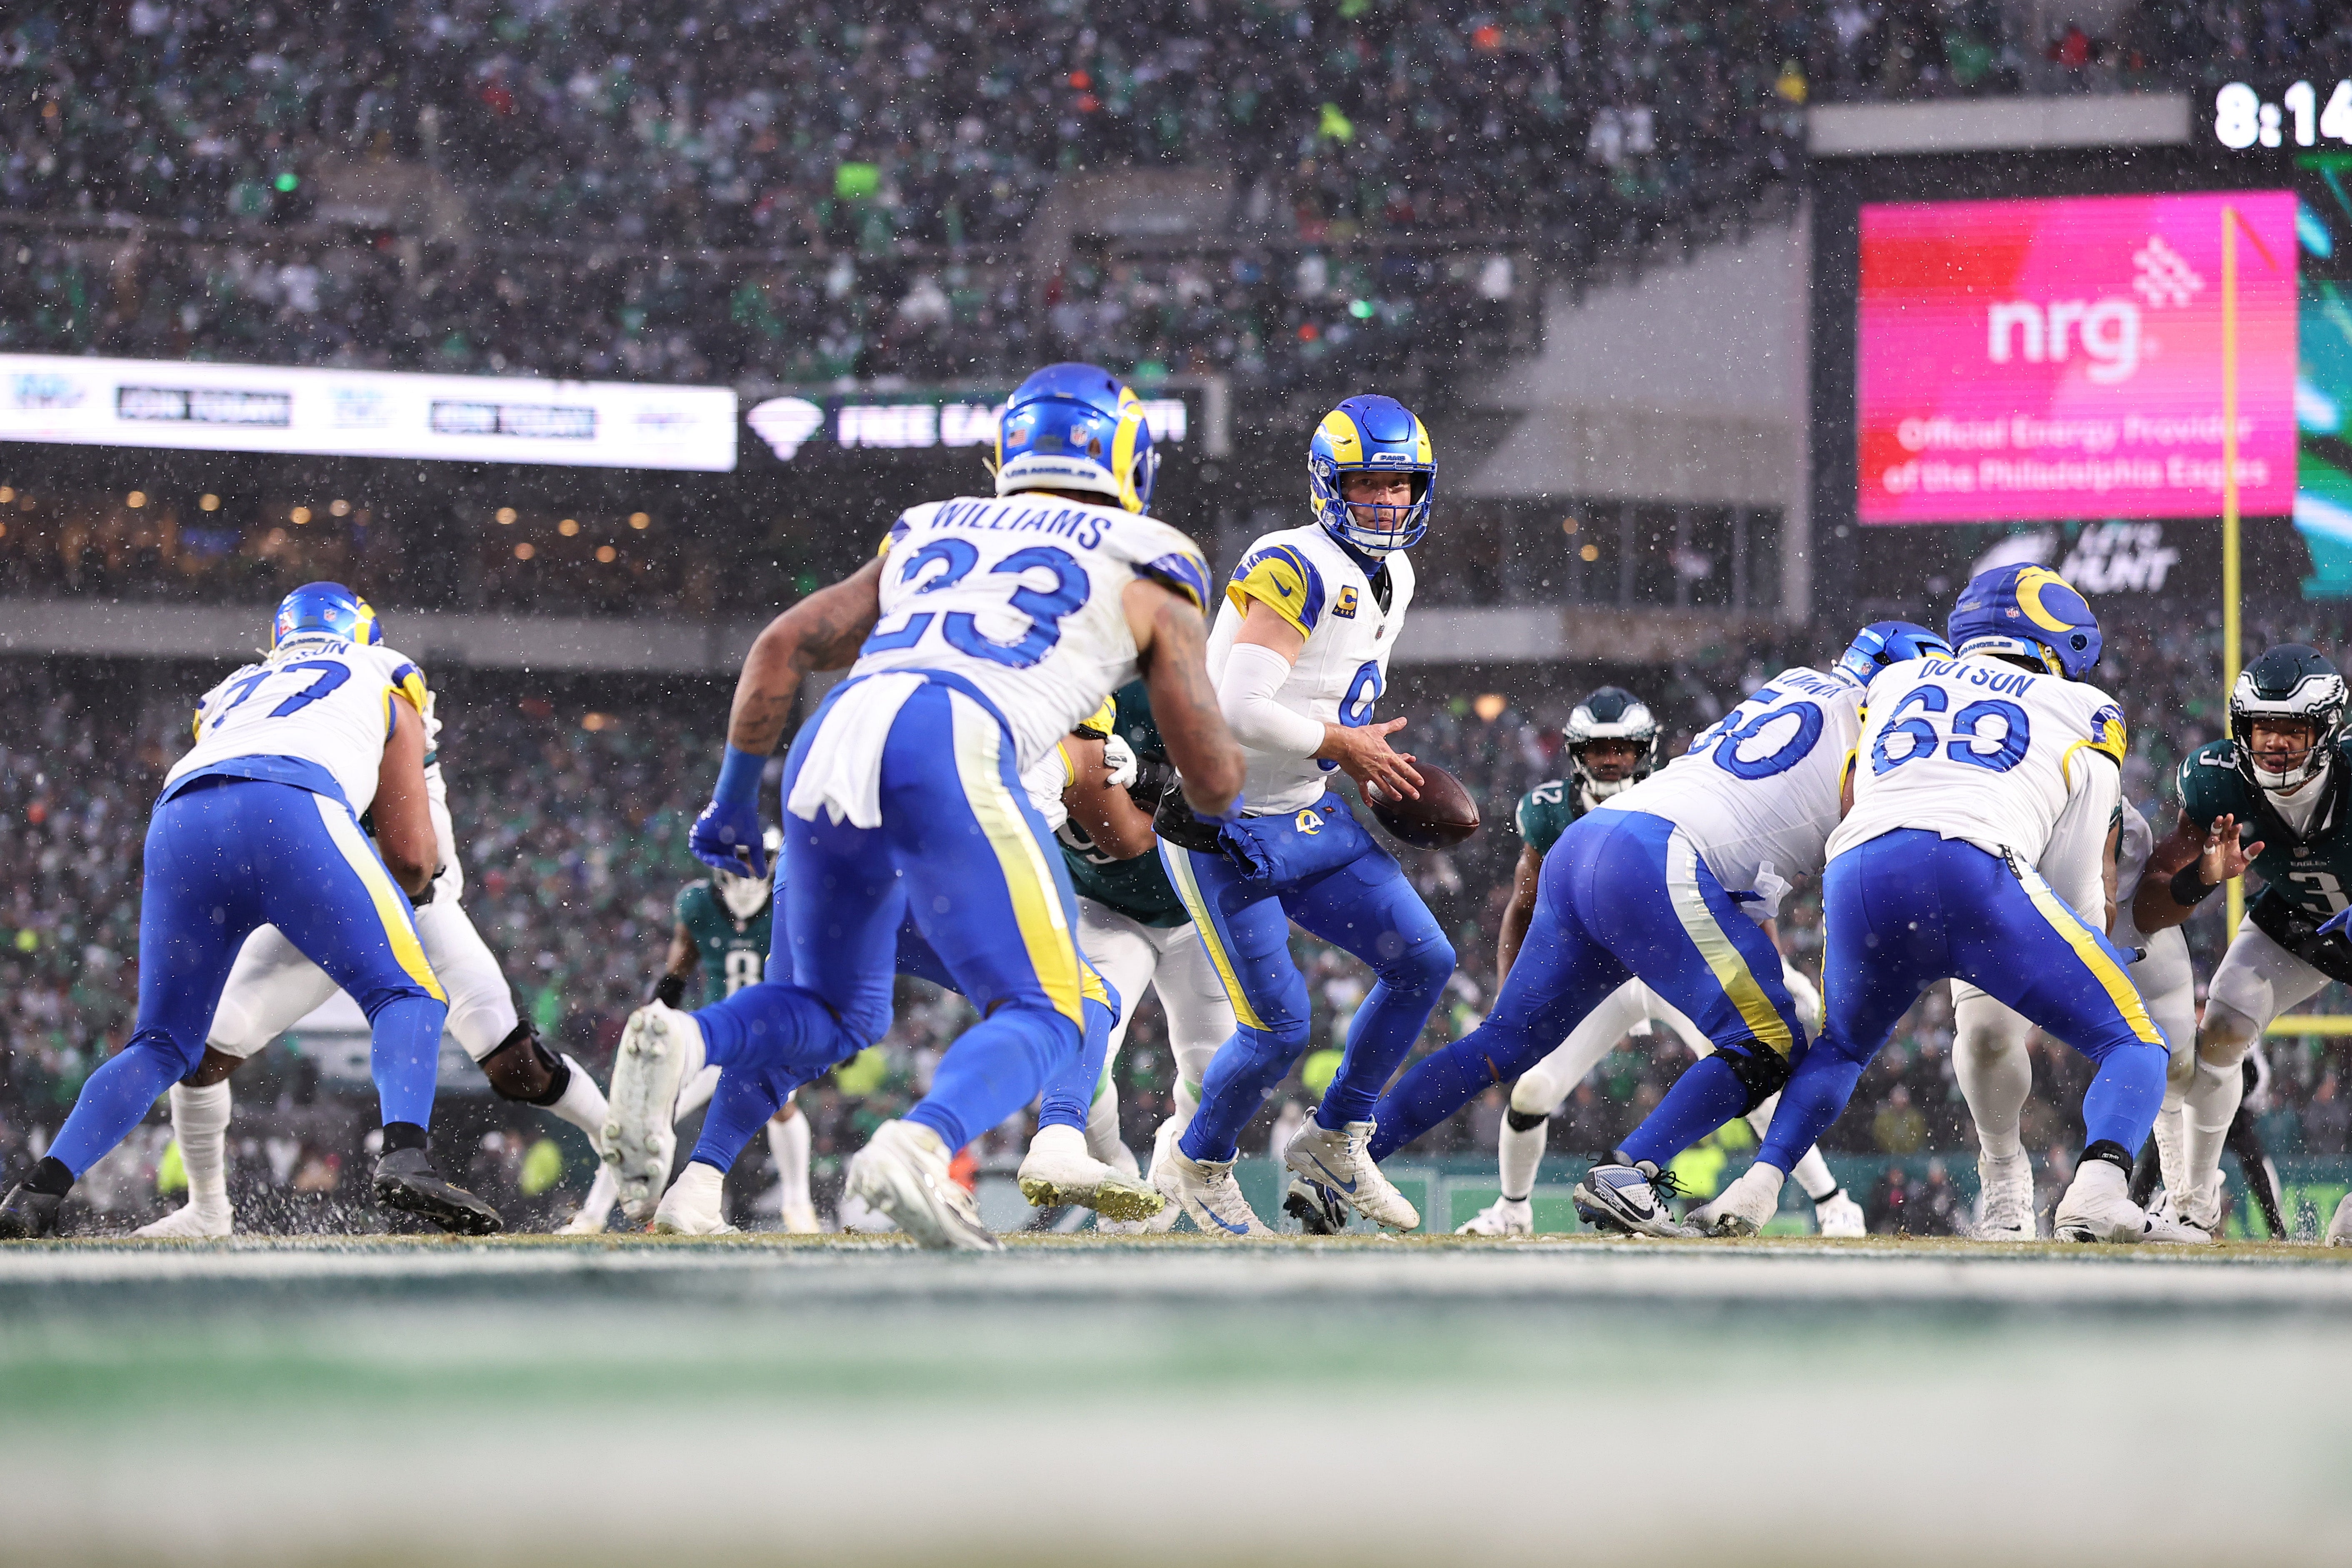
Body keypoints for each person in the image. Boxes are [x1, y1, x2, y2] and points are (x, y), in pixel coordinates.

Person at [600, 362, 1243, 1250]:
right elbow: (1212, 780)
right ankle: (918, 1146)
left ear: (1008, 452)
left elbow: (784, 644)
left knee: (830, 1010)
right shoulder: (1151, 556)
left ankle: (688, 1046)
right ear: (1127, 458)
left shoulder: (930, 524)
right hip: (955, 739)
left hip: (834, 733)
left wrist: (732, 803)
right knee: (1053, 1011)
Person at [1366, 621, 1948, 1238]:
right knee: (1770, 1039)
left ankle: (1350, 1151)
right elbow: (1858, 835)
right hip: (1658, 869)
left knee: (1506, 1042)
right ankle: (1629, 1171)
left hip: (1598, 854)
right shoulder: (1870, 741)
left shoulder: (1789, 688)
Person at [1696, 565, 2185, 1244]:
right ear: (2061, 644)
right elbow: (2076, 894)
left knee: (1841, 1046)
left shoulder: (1897, 680)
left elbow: (1863, 786)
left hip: (1861, 868)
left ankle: (1759, 1184)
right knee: (2135, 1043)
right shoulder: (2086, 709)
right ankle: (2097, 1189)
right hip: (1973, 868)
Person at [0, 583, 498, 1237]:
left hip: (181, 820)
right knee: (407, 992)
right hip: (293, 808)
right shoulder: (384, 671)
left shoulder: (235, 686)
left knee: (160, 1044)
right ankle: (405, 1155)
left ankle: (37, 1192)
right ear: (362, 630)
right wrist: (421, 882)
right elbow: (408, 856)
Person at [134, 607, 609, 1238]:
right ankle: (208, 1208)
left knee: (513, 1062)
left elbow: (417, 860)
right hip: (314, 892)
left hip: (409, 901)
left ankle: (627, 1150)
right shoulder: (301, 687)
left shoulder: (366, 687)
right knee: (199, 1055)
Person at [1149, 394, 1454, 1238]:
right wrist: (1342, 743)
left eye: (1400, 487)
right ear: (1327, 483)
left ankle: (1333, 1139)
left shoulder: (1396, 573)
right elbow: (1237, 706)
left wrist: (1351, 752)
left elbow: (1323, 697)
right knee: (1280, 1028)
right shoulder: (1292, 562)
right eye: (1367, 485)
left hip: (1305, 812)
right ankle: (1197, 1161)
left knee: (1425, 959)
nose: (1386, 504)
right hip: (1223, 823)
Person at [1452, 685, 1865, 1239]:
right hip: (1607, 981)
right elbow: (1522, 909)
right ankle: (1512, 1208)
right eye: (1600, 748)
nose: (1611, 758)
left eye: (1623, 746)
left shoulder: (1681, 789)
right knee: (1532, 1089)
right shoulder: (1552, 812)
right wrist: (1512, 1008)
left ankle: (1832, 1200)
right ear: (1576, 753)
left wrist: (1775, 971)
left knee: (1752, 1068)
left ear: (1645, 750)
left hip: (1677, 968)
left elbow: (1740, 895)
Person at [2140, 644, 2344, 1240]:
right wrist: (2202, 875)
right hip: (2300, 916)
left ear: (2327, 730)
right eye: (2263, 728)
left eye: (2292, 729)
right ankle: (2193, 1205)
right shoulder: (2219, 783)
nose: (2275, 744)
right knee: (2223, 1027)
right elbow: (2151, 907)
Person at [1023, 679, 1237, 1235]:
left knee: (1210, 1067)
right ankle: (1111, 1167)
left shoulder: (1162, 688)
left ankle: (1172, 1162)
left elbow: (1232, 788)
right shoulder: (1022, 721)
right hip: (1102, 903)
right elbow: (1122, 838)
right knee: (1085, 1035)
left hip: (1195, 905)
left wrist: (1152, 776)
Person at [1951, 796, 2195, 1239]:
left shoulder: (2099, 790)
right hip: (2000, 890)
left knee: (2174, 1053)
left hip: (2103, 913)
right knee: (1983, 1033)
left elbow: (2113, 902)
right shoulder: (1981, 788)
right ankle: (2005, 1183)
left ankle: (2185, 1196)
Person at [562, 828, 822, 1235]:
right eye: (739, 859)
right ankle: (593, 1214)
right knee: (643, 1114)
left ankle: (798, 1206)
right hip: (718, 1036)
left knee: (783, 1105)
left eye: (756, 859)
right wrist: (656, 1019)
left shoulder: (786, 901)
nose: (749, 870)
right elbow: (676, 973)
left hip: (771, 1033)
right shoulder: (700, 903)